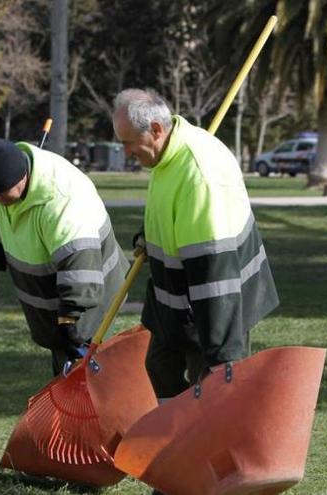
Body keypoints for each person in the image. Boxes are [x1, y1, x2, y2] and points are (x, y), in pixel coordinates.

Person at [111, 88, 279, 399]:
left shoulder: (199, 176)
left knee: (214, 387)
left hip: (215, 305)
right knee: (160, 367)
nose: (126, 153)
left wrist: (222, 354)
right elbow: (174, 210)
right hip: (175, 298)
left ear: (157, 130)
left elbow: (215, 273)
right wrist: (151, 231)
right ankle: (177, 439)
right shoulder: (167, 156)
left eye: (128, 143)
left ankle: (208, 443)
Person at [0, 136, 129, 375]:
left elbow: (80, 266)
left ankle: (111, 410)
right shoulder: (0, 185)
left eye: (1, 194)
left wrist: (69, 318)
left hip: (92, 292)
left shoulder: (63, 202)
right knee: (64, 364)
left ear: (22, 177)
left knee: (90, 368)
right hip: (54, 292)